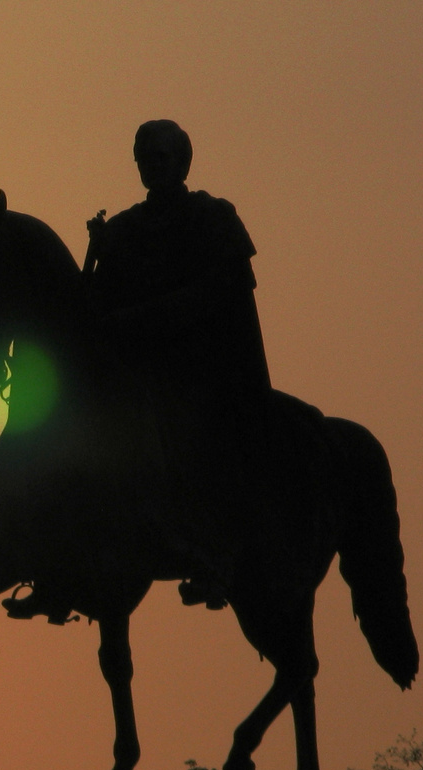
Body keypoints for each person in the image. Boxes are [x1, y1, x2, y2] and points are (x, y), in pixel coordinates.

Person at [86, 119, 271, 608]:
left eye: (160, 157)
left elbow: (220, 293)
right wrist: (95, 263)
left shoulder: (212, 217)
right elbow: (98, 306)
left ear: (182, 162)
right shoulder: (123, 228)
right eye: (143, 158)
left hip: (201, 367)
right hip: (139, 368)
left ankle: (214, 551)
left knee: (186, 431)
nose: (151, 166)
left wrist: (139, 318)